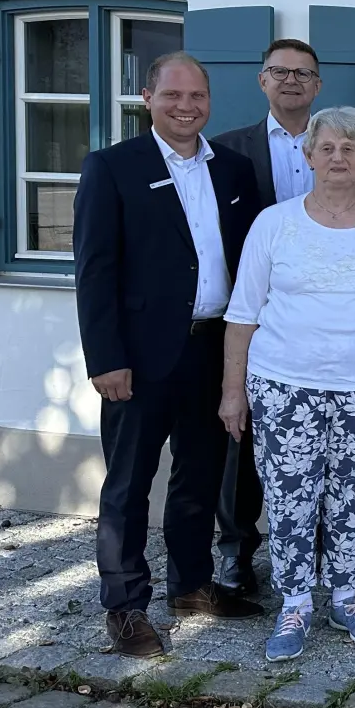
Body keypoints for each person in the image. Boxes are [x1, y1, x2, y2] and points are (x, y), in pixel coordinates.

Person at [72, 52, 266, 657]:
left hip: (213, 350)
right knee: (128, 484)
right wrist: (105, 358)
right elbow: (95, 271)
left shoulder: (232, 170)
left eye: (197, 96)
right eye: (173, 96)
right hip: (139, 356)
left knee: (200, 475)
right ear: (147, 98)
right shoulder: (112, 167)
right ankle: (126, 605)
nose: (186, 107)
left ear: (210, 100)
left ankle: (191, 583)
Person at [219, 106, 355, 662]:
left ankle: (348, 597)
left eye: (348, 149)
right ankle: (295, 603)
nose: (337, 158)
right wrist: (233, 392)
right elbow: (242, 314)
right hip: (285, 384)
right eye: (326, 148)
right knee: (289, 498)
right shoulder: (275, 223)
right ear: (307, 156)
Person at [210, 38, 324, 597]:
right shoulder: (226, 153)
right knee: (242, 436)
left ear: (318, 84)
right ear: (262, 81)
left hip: (322, 321)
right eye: (280, 72)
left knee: (315, 446)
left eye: (303, 73)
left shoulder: (338, 143)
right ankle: (235, 552)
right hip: (253, 316)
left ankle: (315, 556)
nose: (291, 81)